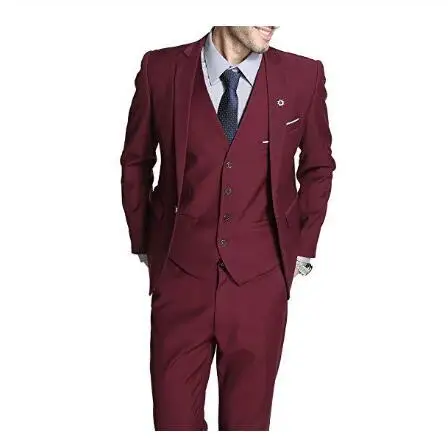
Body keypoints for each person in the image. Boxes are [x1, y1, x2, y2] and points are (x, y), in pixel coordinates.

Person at [120, 25, 336, 431]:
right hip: (179, 277)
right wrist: (144, 241)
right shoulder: (159, 68)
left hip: (261, 283)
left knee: (247, 425)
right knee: (172, 422)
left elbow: (318, 167)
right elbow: (136, 160)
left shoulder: (304, 75)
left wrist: (302, 249)